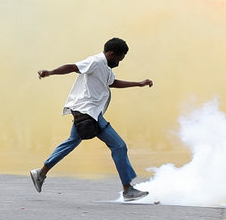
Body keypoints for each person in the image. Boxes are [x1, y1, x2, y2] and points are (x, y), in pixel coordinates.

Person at [30, 37, 153, 201]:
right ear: (110, 54)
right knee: (119, 146)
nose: (119, 62)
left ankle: (41, 172)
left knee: (72, 141)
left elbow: (112, 82)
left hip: (90, 112)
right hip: (88, 111)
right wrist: (50, 72)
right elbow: (73, 67)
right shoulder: (95, 62)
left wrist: (138, 84)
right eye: (118, 58)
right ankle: (127, 189)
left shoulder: (106, 68)